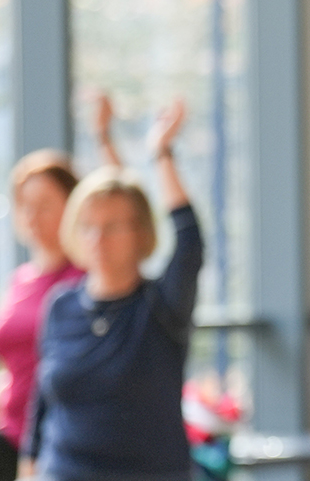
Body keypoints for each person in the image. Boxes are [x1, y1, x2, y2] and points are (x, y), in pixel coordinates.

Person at [0, 95, 123, 481]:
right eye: (25, 205)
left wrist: (104, 137)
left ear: (73, 207)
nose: (33, 217)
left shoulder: (84, 277)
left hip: (62, 436)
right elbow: (12, 372)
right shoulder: (20, 280)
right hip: (13, 433)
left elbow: (120, 203)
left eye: (45, 205)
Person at [23, 99, 201, 481]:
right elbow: (42, 402)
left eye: (115, 227)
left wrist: (162, 153)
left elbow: (189, 241)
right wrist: (28, 468)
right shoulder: (61, 306)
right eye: (89, 226)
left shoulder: (160, 306)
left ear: (141, 234)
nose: (100, 239)